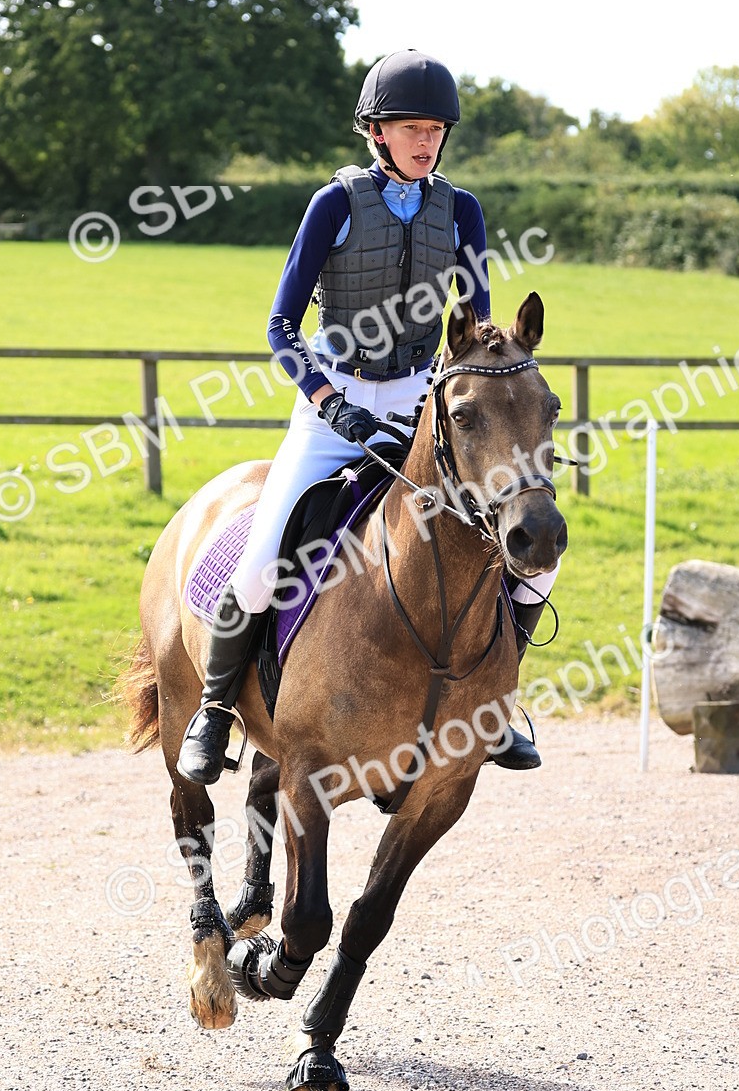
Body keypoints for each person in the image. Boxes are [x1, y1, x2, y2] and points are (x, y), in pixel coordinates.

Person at [177, 49, 556, 787]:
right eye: (412, 128)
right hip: (332, 406)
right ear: (377, 133)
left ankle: (494, 702)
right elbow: (281, 327)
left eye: (436, 129)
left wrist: (494, 380)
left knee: (531, 552)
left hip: (425, 407)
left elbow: (473, 328)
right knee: (260, 564)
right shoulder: (335, 205)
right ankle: (216, 708)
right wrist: (331, 405)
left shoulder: (464, 210)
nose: (426, 141)